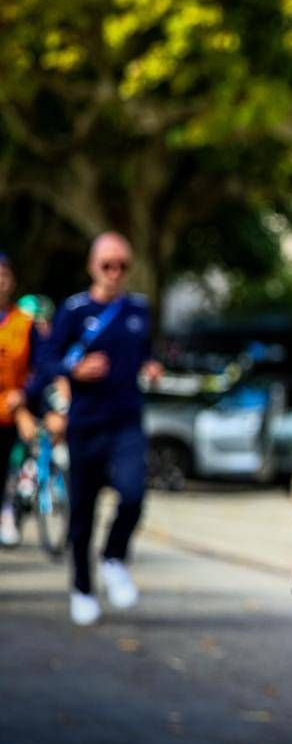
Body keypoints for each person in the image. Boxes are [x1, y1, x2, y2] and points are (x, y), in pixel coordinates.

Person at [37, 233, 163, 625]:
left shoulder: (138, 309)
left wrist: (151, 367)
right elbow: (47, 360)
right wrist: (73, 369)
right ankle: (82, 587)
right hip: (86, 424)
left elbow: (146, 353)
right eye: (108, 265)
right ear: (93, 266)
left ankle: (113, 556)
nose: (115, 273)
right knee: (83, 511)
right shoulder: (74, 310)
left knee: (133, 494)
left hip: (126, 421)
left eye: (122, 265)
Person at [0, 257, 41, 546]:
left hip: (10, 411)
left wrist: (25, 395)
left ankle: (9, 510)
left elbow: (42, 367)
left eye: (4, 275)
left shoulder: (25, 324)